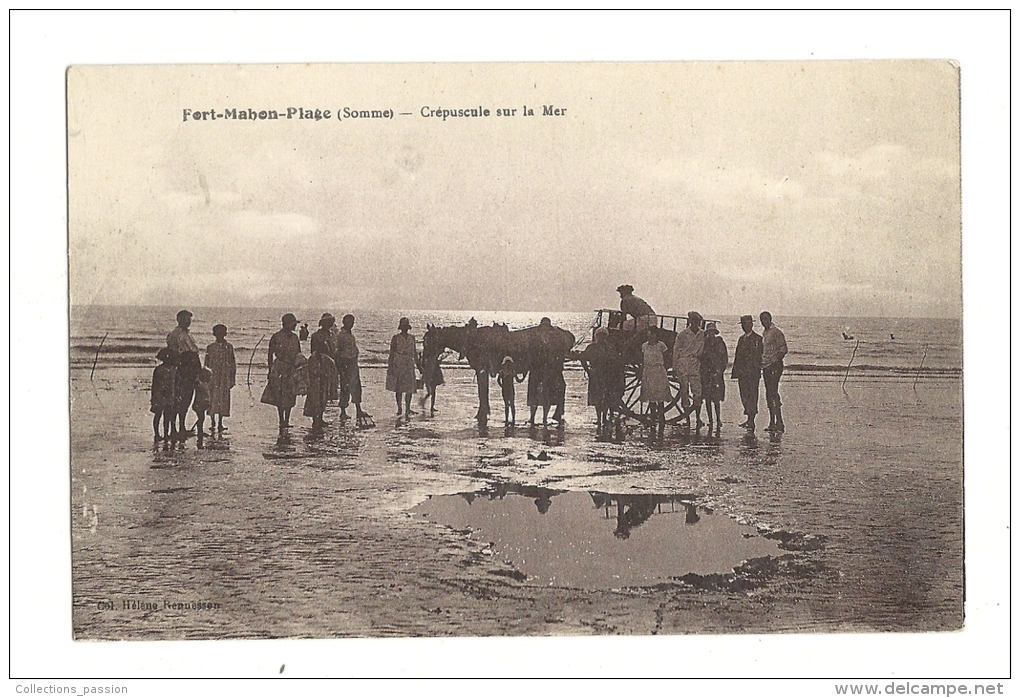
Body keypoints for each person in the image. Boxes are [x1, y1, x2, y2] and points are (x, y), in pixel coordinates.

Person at [261, 313, 304, 428]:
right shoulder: (276, 337)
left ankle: (287, 420)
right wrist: (270, 370)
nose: (295, 326)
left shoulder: (295, 338)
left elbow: (298, 354)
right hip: (279, 368)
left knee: (291, 394)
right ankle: (281, 420)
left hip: (292, 368)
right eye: (293, 324)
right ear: (287, 324)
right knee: (279, 395)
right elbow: (270, 354)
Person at [580, 327, 625, 431]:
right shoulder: (592, 347)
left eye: (603, 335)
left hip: (607, 375)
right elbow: (583, 358)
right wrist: (588, 371)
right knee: (597, 398)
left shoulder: (610, 347)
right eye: (600, 335)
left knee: (605, 398)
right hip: (596, 375)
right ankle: (599, 418)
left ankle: (604, 417)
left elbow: (615, 361)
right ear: (597, 336)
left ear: (606, 336)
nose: (602, 338)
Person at [166, 309, 201, 440]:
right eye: (186, 319)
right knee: (177, 400)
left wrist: (198, 370)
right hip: (182, 369)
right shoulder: (174, 334)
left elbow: (195, 352)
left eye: (189, 319)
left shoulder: (189, 335)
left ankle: (182, 427)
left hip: (191, 369)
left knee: (187, 400)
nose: (188, 321)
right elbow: (173, 354)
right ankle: (174, 429)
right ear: (179, 320)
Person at [304, 314, 339, 428]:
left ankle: (320, 417)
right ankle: (316, 418)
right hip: (317, 365)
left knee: (325, 391)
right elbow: (313, 351)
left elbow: (334, 351)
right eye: (327, 322)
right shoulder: (316, 335)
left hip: (328, 365)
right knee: (315, 392)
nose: (329, 324)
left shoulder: (332, 335)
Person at [672, 310, 705, 429]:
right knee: (684, 392)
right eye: (694, 321)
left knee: (697, 392)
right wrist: (675, 366)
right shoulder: (682, 335)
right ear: (690, 321)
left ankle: (697, 418)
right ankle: (687, 419)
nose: (696, 324)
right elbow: (676, 351)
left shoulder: (702, 334)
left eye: (698, 322)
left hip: (695, 364)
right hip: (683, 364)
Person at [336, 314, 371, 423]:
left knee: (356, 386)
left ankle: (358, 409)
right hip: (345, 363)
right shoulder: (341, 335)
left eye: (352, 322)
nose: (351, 324)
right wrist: (340, 367)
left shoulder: (350, 335)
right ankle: (343, 411)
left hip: (353, 362)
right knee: (345, 387)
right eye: (349, 322)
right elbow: (338, 352)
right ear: (344, 322)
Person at [731, 315, 763, 431]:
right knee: (744, 395)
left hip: (752, 373)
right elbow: (737, 356)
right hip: (742, 373)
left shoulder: (758, 339)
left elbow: (759, 356)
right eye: (743, 324)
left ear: (752, 325)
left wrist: (757, 369)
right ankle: (749, 419)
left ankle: (751, 420)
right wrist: (735, 371)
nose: (745, 326)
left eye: (747, 324)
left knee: (752, 395)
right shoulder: (741, 339)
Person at [760, 311, 788, 432]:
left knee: (773, 392)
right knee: (769, 393)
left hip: (774, 366)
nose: (763, 322)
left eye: (765, 319)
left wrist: (776, 361)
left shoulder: (776, 332)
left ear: (770, 319)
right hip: (766, 366)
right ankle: (772, 421)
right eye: (761, 320)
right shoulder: (765, 333)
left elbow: (783, 349)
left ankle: (780, 422)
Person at [204, 324, 236, 433]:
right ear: (214, 334)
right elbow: (206, 363)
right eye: (218, 332)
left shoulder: (229, 347)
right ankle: (213, 422)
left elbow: (232, 363)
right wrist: (205, 377)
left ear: (225, 334)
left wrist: (232, 378)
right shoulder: (210, 347)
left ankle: (220, 423)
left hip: (225, 376)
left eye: (222, 332)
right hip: (213, 376)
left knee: (223, 398)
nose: (220, 335)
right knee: (212, 398)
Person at [640, 327, 671, 431]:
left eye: (653, 334)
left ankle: (661, 418)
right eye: (649, 334)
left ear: (656, 335)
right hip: (648, 371)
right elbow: (642, 358)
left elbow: (667, 358)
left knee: (660, 396)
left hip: (658, 371)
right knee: (651, 397)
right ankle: (653, 418)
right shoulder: (644, 346)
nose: (651, 336)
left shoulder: (661, 345)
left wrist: (662, 368)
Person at [386, 317, 418, 416]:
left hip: (409, 363)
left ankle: (408, 408)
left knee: (409, 388)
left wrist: (419, 365)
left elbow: (415, 353)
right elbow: (391, 353)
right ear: (401, 327)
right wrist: (390, 366)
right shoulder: (395, 338)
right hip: (398, 363)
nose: (405, 328)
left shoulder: (412, 338)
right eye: (403, 326)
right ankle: (399, 408)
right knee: (399, 387)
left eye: (406, 326)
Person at [701, 322, 728, 431]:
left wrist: (720, 370)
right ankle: (711, 420)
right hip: (707, 374)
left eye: (712, 332)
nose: (711, 334)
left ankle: (718, 419)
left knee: (716, 399)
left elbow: (724, 358)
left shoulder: (719, 342)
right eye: (709, 332)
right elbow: (701, 358)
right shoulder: (704, 343)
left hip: (716, 373)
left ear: (714, 333)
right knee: (707, 398)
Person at [150, 347, 176, 443]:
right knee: (164, 415)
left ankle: (160, 434)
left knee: (161, 415)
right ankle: (161, 434)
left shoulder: (160, 369)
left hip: (162, 394)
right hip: (164, 394)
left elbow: (154, 385)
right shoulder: (172, 369)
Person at [496, 356, 523, 426]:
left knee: (509, 405)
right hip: (509, 389)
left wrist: (502, 385)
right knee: (509, 405)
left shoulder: (504, 372)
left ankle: (509, 419)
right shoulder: (511, 372)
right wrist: (524, 377)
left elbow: (498, 380)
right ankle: (510, 419)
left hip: (507, 389)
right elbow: (518, 380)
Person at [191, 367, 212, 444]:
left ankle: (200, 430)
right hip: (200, 404)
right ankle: (200, 431)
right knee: (201, 418)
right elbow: (204, 396)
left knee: (201, 418)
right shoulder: (201, 385)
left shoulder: (203, 385)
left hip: (200, 404)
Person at [420, 350, 445, 416]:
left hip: (433, 375)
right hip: (432, 375)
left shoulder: (430, 358)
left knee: (432, 392)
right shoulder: (430, 359)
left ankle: (429, 405)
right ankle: (426, 403)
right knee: (431, 392)